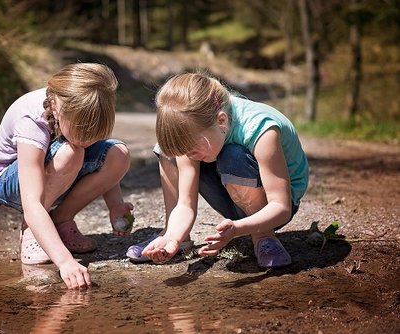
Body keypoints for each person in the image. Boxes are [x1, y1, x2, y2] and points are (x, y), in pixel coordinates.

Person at [126, 71, 308, 267]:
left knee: (232, 156)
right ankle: (175, 232)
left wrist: (237, 229)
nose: (191, 156)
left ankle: (263, 236)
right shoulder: (200, 135)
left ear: (222, 121)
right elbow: (185, 204)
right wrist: (172, 237)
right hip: (232, 197)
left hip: (272, 209)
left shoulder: (260, 129)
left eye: (194, 149)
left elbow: (281, 208)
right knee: (168, 149)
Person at [0, 63, 134, 289]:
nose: (90, 141)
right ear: (55, 106)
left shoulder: (80, 110)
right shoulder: (32, 121)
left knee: (117, 154)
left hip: (55, 172)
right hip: (7, 183)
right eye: (84, 133)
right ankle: (32, 230)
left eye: (95, 136)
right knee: (72, 152)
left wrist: (116, 205)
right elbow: (31, 202)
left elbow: (100, 157)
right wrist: (65, 262)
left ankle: (61, 220)